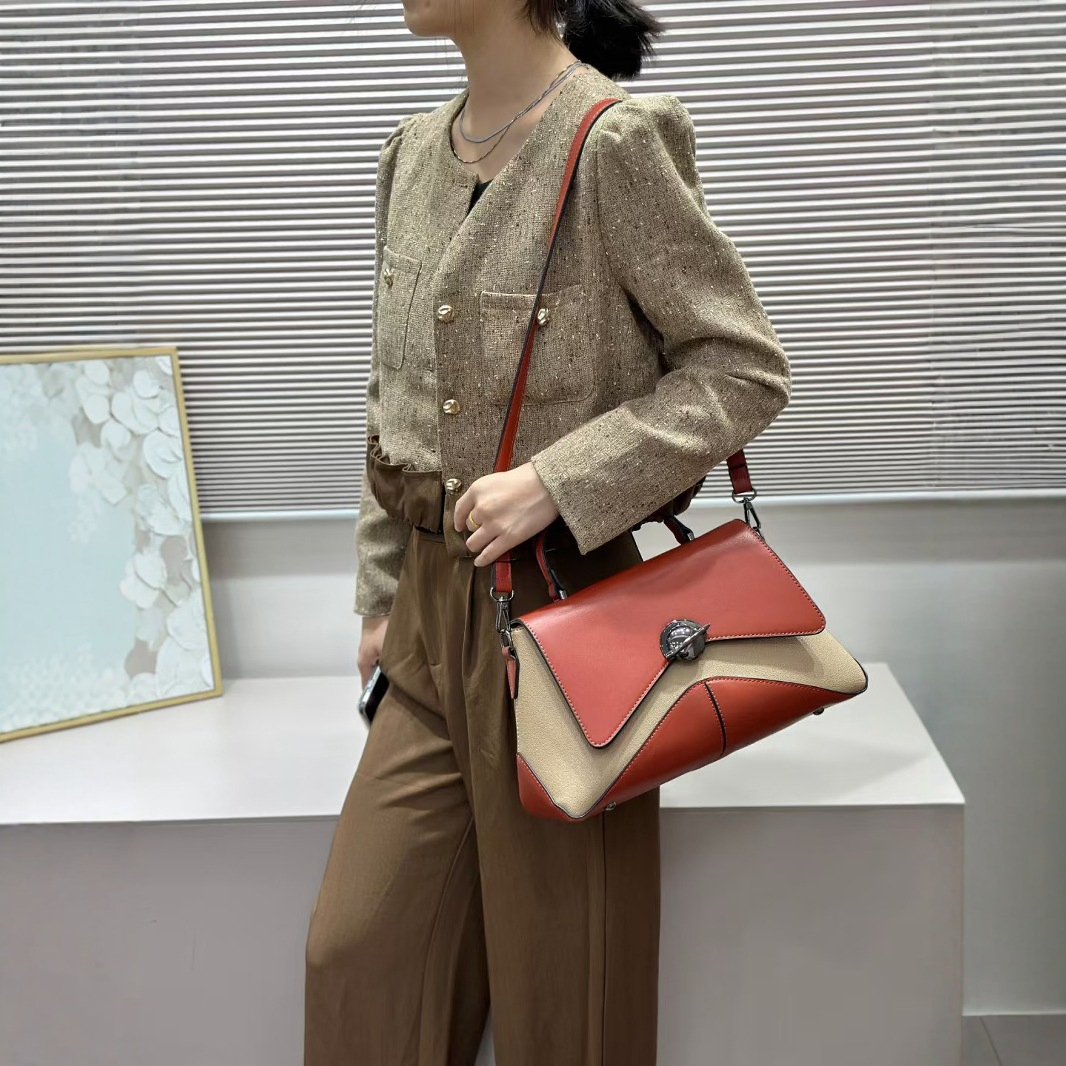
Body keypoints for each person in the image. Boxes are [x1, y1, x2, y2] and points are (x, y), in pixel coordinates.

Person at [304, 1, 792, 1063]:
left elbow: (740, 368)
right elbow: (390, 402)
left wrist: (556, 484)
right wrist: (381, 593)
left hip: (568, 616)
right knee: (358, 956)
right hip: (428, 624)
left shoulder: (613, 141)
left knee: (566, 994)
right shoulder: (409, 155)